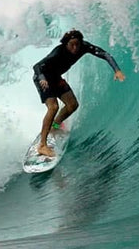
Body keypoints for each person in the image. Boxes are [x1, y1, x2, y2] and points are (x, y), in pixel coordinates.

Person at [33, 29, 126, 157]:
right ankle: (42, 146)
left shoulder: (84, 47)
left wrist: (117, 70)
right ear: (66, 44)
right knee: (53, 107)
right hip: (43, 79)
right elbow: (37, 66)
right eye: (72, 44)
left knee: (72, 105)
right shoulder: (58, 52)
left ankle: (55, 125)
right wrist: (42, 78)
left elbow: (104, 54)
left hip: (56, 78)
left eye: (77, 44)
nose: (75, 47)